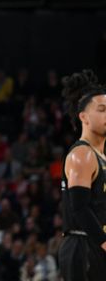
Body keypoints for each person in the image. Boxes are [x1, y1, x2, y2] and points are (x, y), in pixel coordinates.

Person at [58, 69, 106, 280]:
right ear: (84, 117)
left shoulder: (100, 156)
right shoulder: (82, 154)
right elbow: (80, 208)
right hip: (83, 245)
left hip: (95, 243)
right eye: (102, 110)